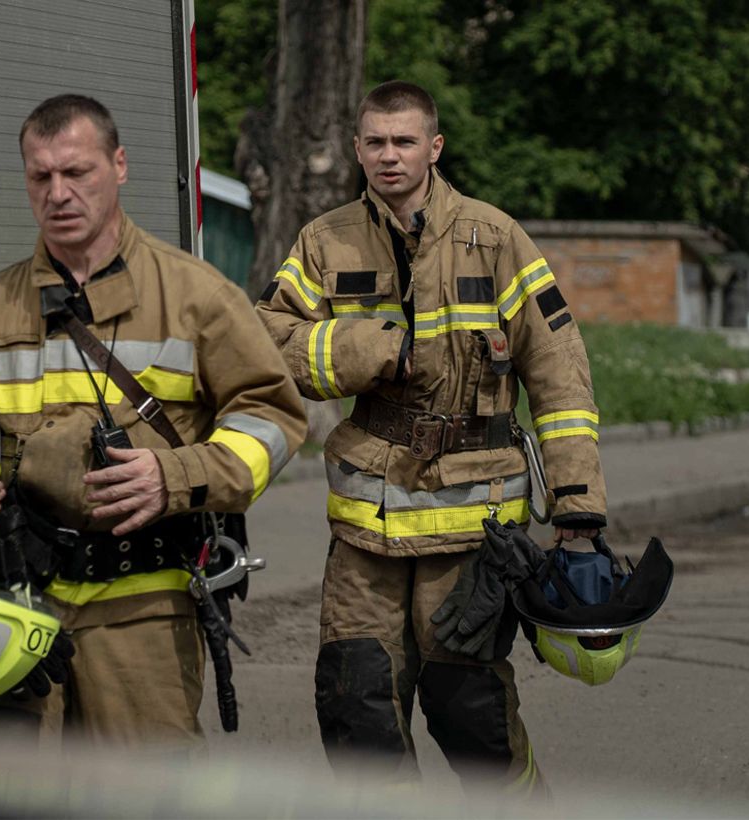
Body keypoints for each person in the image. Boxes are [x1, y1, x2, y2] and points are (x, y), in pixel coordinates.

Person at [0, 94, 307, 748]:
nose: (59, 193)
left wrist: (176, 475)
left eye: (78, 172)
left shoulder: (197, 296)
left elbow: (270, 416)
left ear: (119, 165)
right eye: (41, 176)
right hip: (14, 604)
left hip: (144, 609)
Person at [255, 81, 608, 794]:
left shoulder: (497, 237)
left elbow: (560, 375)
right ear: (357, 149)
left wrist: (576, 509)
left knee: (468, 712)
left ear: (434, 147)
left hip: (472, 529)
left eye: (404, 141)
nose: (389, 156)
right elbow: (271, 340)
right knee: (356, 710)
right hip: (367, 529)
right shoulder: (324, 241)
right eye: (376, 142)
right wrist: (376, 348)